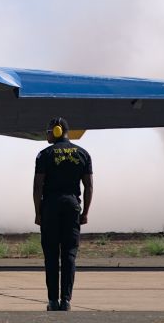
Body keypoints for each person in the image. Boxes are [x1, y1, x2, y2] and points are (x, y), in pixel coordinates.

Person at [33, 117, 93, 311]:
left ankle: (52, 301)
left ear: (56, 131)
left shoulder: (44, 155)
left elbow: (38, 186)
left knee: (51, 255)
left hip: (50, 206)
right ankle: (66, 300)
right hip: (72, 206)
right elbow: (89, 186)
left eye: (48, 131)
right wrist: (85, 212)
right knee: (69, 255)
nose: (47, 134)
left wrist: (38, 212)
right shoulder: (83, 154)